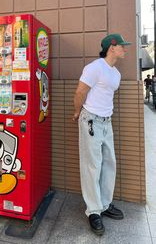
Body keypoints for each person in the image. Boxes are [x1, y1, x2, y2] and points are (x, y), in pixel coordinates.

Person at [73, 33, 131, 235]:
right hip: (91, 120)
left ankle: (105, 204)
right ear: (111, 47)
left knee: (109, 163)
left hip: (107, 122)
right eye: (122, 46)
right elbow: (80, 91)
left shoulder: (115, 73)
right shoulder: (94, 67)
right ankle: (94, 211)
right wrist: (77, 112)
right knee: (92, 165)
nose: (125, 48)